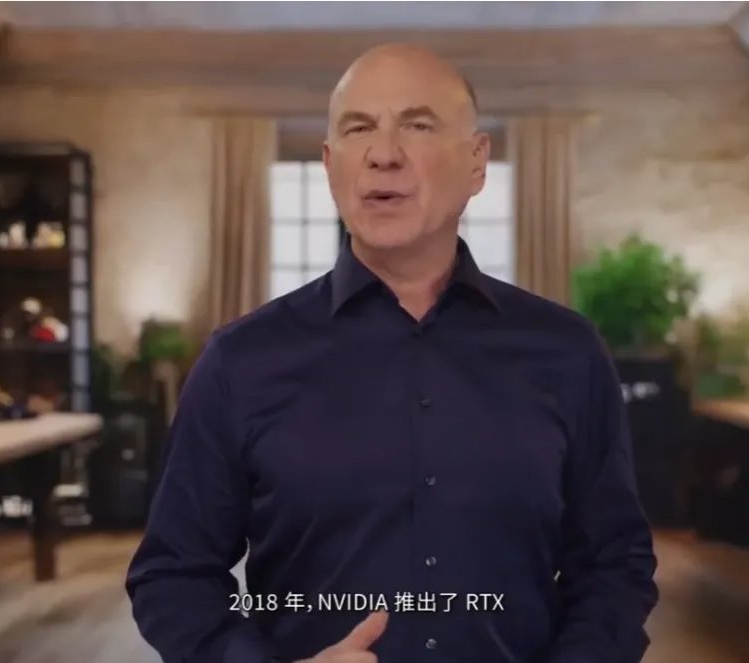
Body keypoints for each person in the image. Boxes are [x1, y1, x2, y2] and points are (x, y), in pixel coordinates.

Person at [127, 43, 659, 663]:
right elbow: (173, 574)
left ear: (477, 162)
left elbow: (614, 565)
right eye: (359, 129)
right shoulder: (238, 362)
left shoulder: (567, 352)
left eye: (417, 125)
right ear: (331, 166)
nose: (383, 154)